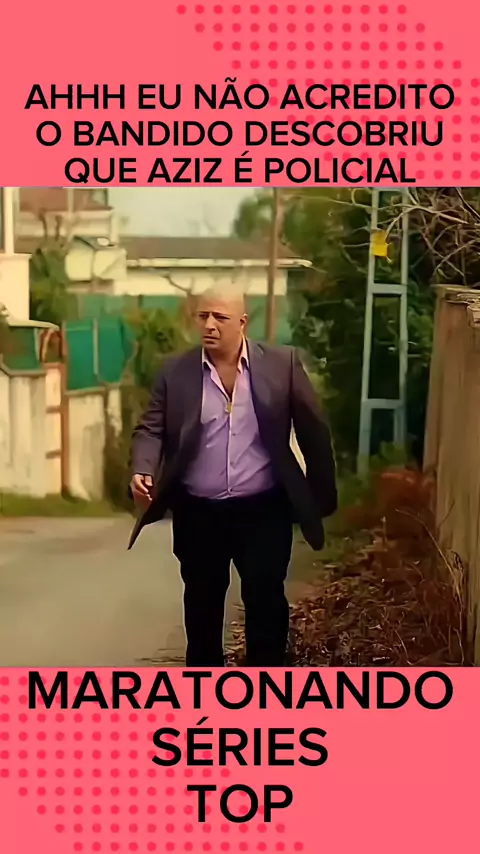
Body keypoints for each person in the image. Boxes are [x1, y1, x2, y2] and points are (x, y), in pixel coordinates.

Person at [128, 286, 337, 667]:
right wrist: (143, 467)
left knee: (266, 603)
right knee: (202, 606)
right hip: (199, 512)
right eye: (203, 316)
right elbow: (151, 428)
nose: (209, 325)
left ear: (242, 322)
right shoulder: (176, 371)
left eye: (220, 318)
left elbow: (314, 432)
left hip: (263, 509)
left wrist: (319, 499)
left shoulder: (281, 365)